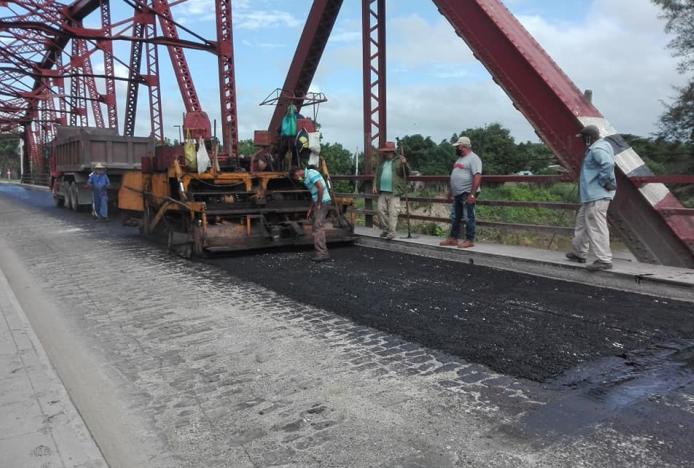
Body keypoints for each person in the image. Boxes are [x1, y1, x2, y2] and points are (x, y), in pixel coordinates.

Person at [566, 125, 617, 271]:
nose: (581, 140)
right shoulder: (602, 146)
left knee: (596, 226)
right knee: (582, 223)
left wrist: (602, 181)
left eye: (582, 138)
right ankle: (579, 253)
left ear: (588, 138)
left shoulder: (597, 149)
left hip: (597, 195)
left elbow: (608, 164)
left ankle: (604, 260)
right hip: (590, 196)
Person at [440, 136, 482, 248]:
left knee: (468, 216)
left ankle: (469, 240)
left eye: (458, 146)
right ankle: (453, 238)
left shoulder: (474, 158)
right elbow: (455, 176)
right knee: (456, 216)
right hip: (457, 193)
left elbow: (477, 176)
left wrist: (472, 194)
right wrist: (451, 191)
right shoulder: (460, 159)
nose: (456, 149)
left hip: (467, 192)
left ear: (463, 146)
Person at [291, 166, 332, 262]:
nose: (297, 179)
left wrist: (318, 203)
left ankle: (322, 254)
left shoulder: (311, 174)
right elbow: (314, 193)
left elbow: (320, 188)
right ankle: (322, 252)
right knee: (316, 226)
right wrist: (311, 208)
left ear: (297, 172)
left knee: (318, 225)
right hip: (320, 202)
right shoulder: (306, 179)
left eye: (295, 177)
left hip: (324, 201)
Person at [372, 141, 410, 240]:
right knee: (380, 210)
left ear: (393, 152)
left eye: (388, 151)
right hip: (383, 191)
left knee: (393, 212)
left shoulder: (399, 161)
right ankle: (386, 229)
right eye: (385, 151)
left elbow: (407, 172)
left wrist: (404, 164)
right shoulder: (382, 162)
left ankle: (392, 232)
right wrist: (374, 185)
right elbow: (377, 174)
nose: (386, 153)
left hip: (394, 191)